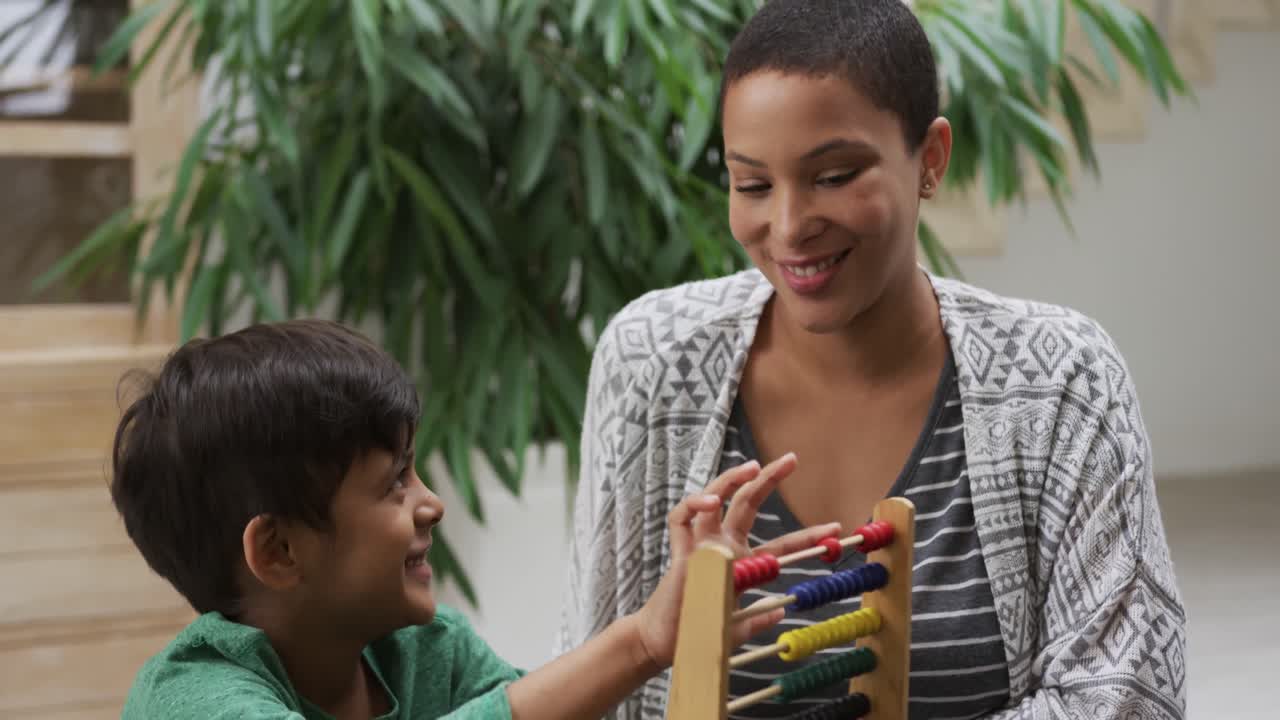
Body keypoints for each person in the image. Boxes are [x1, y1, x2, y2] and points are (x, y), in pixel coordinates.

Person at [556, 1, 1187, 718]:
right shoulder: (651, 360)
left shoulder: (1063, 384)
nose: (789, 227)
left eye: (834, 175)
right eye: (753, 184)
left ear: (931, 160)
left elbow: (1128, 698)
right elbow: (593, 680)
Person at [112, 319, 836, 719]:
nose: (433, 503)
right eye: (395, 484)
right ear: (278, 549)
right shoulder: (196, 699)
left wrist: (688, 637)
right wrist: (641, 641)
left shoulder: (427, 650)